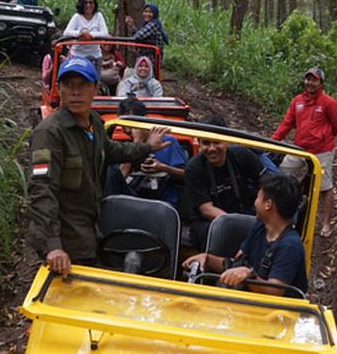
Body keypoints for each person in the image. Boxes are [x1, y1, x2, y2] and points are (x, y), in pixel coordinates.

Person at [27, 56, 170, 276]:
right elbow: (42, 190)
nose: (76, 92)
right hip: (65, 236)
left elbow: (112, 150)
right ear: (59, 89)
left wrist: (146, 147)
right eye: (69, 85)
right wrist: (53, 246)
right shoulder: (49, 133)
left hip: (90, 227)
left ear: (95, 88)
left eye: (83, 85)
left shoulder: (94, 123)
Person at [182, 173, 307, 296]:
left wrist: (249, 275)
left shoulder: (290, 245)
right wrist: (207, 259)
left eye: (258, 197)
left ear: (268, 204)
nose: (255, 202)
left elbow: (274, 291)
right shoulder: (259, 227)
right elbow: (236, 265)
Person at [271, 67, 337, 238]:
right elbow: (287, 123)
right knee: (281, 174)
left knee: (324, 187)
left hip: (322, 150)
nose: (310, 83)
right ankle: (282, 214)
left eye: (314, 80)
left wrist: (322, 137)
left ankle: (326, 223)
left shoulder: (328, 102)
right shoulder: (297, 101)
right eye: (308, 79)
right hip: (299, 148)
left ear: (321, 83)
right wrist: (274, 141)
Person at [184, 114, 267, 251]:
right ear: (199, 143)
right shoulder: (194, 168)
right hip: (208, 222)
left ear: (227, 141)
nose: (211, 148)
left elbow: (267, 184)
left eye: (217, 142)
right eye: (206, 143)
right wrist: (237, 225)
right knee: (215, 234)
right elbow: (206, 210)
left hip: (242, 211)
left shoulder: (242, 155)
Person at [103, 97, 187, 207]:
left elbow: (186, 175)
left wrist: (162, 167)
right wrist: (137, 144)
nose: (128, 130)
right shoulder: (121, 145)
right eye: (123, 125)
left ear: (144, 120)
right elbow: (119, 178)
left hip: (162, 203)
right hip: (130, 202)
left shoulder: (168, 142)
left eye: (132, 124)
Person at [63, 0, 108, 70]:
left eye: (91, 3)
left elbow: (105, 33)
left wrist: (90, 35)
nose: (88, 5)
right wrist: (80, 33)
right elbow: (66, 32)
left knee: (94, 80)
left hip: (95, 55)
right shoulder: (77, 17)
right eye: (86, 3)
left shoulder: (98, 16)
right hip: (77, 54)